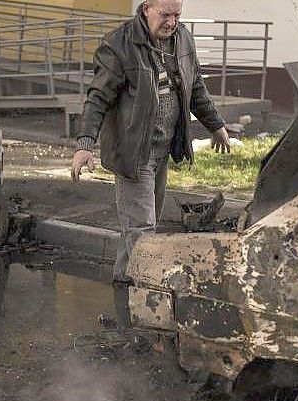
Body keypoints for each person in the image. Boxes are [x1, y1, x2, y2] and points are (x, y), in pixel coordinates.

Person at [71, 0, 231, 283]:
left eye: (177, 15)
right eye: (165, 14)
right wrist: (85, 144)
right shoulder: (118, 45)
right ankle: (143, 290)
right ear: (146, 9)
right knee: (142, 228)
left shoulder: (182, 39)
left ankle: (124, 279)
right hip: (134, 152)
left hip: (163, 149)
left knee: (142, 226)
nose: (172, 22)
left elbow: (195, 87)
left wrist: (215, 125)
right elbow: (98, 98)